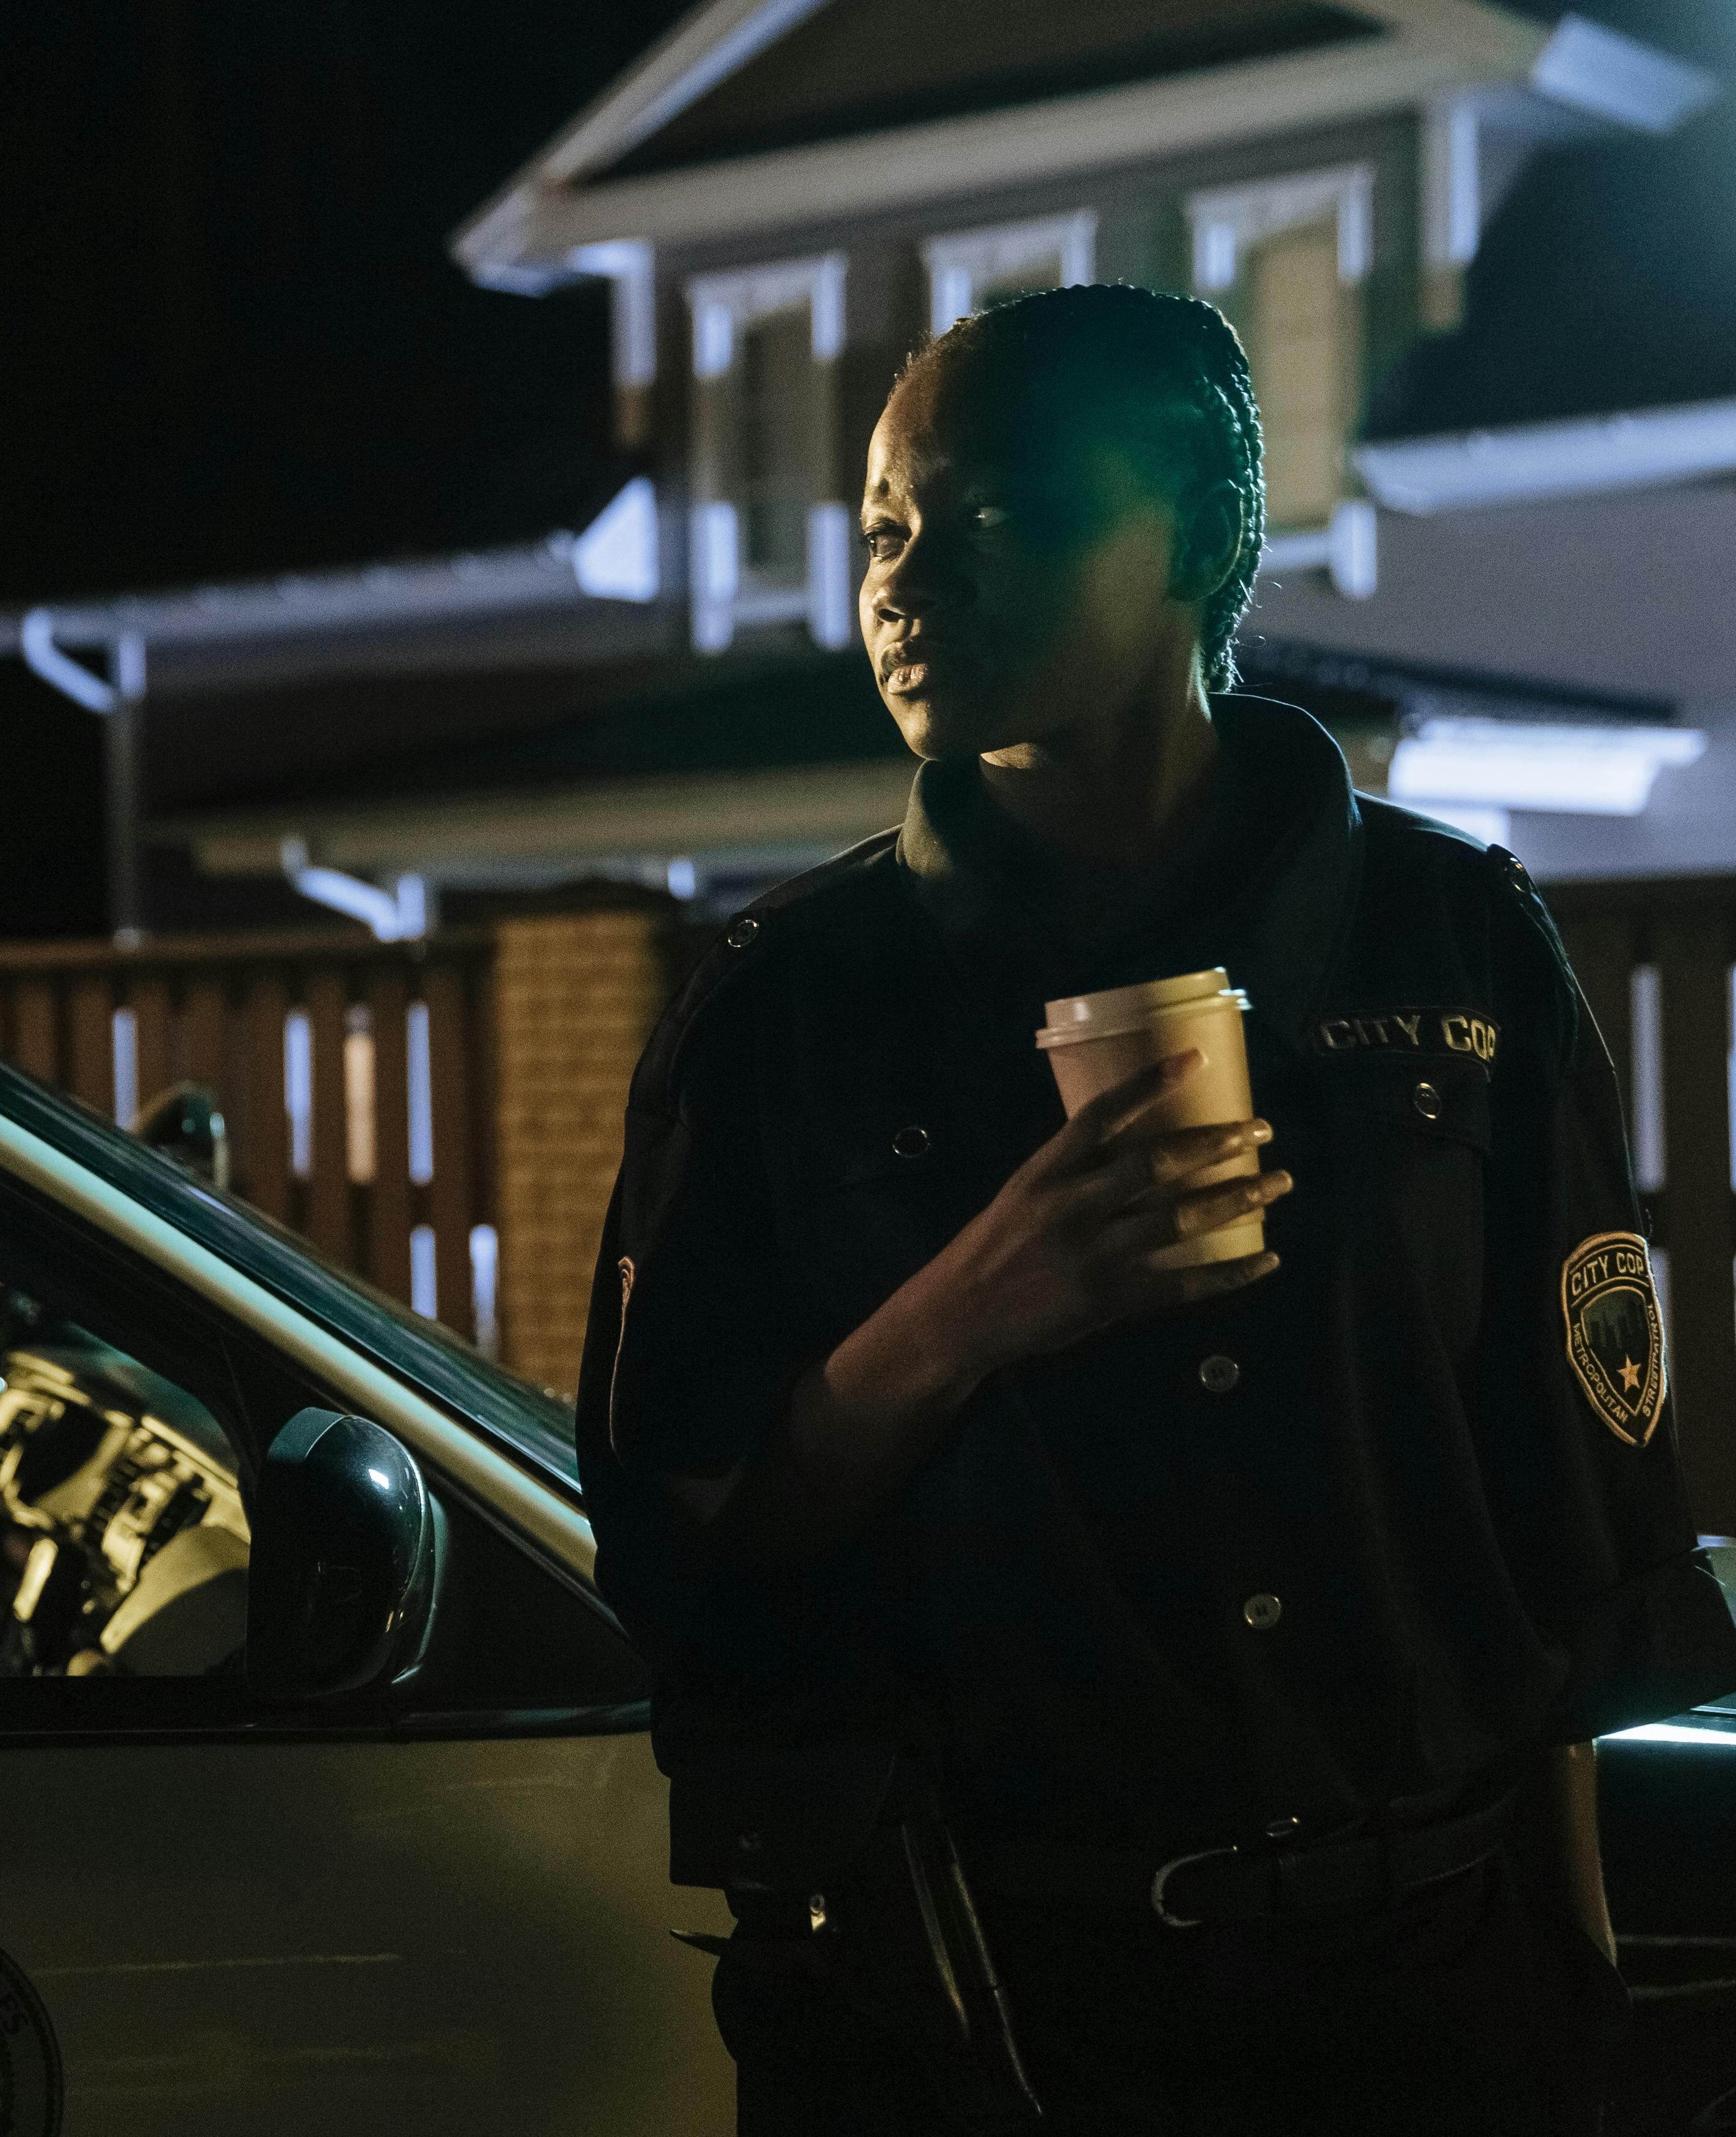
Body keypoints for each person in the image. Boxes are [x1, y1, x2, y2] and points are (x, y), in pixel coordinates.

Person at [576, 284, 1736, 2135]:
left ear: (1197, 533)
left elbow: (1572, 1536)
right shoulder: (793, 1003)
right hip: (987, 2006)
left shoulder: (1450, 947)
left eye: (990, 516)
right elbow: (683, 1530)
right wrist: (968, 1309)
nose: (904, 577)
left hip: (1430, 1991)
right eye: (882, 527)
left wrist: (1569, 2001)